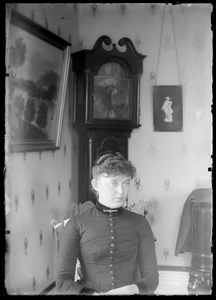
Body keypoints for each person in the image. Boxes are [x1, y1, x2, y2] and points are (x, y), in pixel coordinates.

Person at [56, 151, 159, 295]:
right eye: (114, 183)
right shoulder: (76, 224)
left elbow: (152, 277)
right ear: (95, 184)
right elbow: (63, 281)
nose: (121, 191)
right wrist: (90, 294)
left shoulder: (141, 223)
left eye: (126, 183)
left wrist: (131, 289)